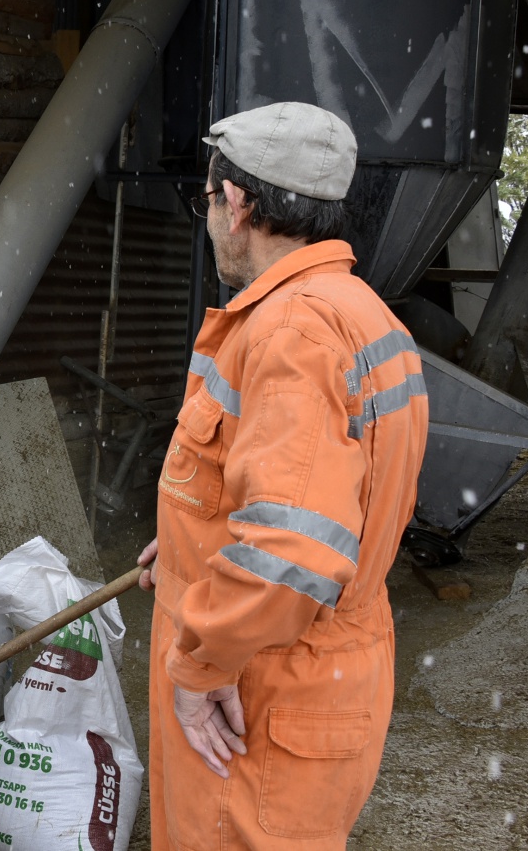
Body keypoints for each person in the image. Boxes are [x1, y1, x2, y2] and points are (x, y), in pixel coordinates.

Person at [137, 102, 428, 850]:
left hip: (263, 694)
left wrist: (203, 668)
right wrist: (186, 540)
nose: (208, 217)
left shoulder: (291, 331)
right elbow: (313, 499)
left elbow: (291, 553)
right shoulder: (362, 313)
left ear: (237, 204)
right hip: (325, 678)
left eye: (208, 199)